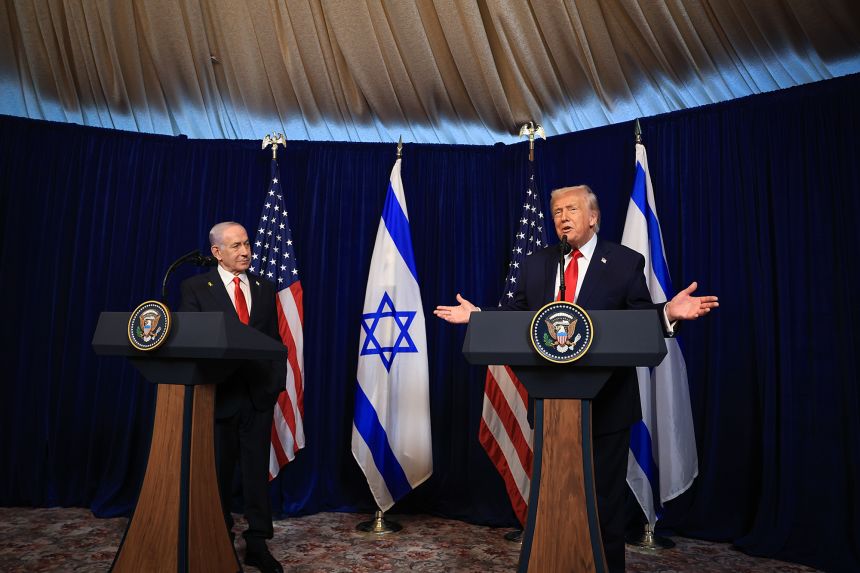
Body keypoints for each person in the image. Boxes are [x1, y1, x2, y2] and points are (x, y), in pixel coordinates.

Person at [434, 185, 717, 573]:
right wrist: (480, 317)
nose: (562, 217)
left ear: (593, 217)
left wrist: (667, 311)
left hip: (608, 406)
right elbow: (514, 317)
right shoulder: (536, 264)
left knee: (602, 506)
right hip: (551, 406)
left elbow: (636, 322)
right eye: (556, 212)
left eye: (571, 209)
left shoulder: (622, 262)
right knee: (553, 502)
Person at [179, 221, 285, 573]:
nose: (245, 251)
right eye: (236, 245)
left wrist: (274, 387)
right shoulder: (195, 287)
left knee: (256, 474)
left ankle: (257, 542)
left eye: (247, 244)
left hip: (257, 396)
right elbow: (193, 341)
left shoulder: (265, 287)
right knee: (218, 472)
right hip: (218, 396)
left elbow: (274, 342)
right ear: (216, 252)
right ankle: (217, 535)